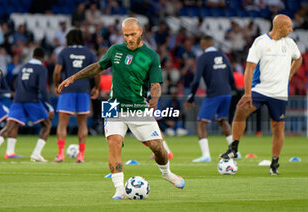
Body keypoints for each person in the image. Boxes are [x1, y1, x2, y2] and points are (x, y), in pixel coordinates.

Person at [57, 17, 185, 199]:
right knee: (114, 143)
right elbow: (97, 67)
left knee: (158, 148)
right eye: (126, 35)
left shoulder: (150, 55)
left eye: (133, 34)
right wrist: (73, 77)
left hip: (138, 106)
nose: (130, 38)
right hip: (113, 105)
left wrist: (154, 99)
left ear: (140, 31)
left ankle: (166, 173)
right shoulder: (115, 50)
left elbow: (156, 84)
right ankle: (119, 190)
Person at [220, 15, 302, 175]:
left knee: (278, 128)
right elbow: (249, 69)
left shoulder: (290, 44)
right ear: (279, 27)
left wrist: (289, 75)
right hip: (260, 89)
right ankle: (234, 148)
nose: (291, 30)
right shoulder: (260, 42)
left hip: (279, 93)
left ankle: (274, 164)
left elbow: (298, 60)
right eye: (289, 27)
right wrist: (248, 93)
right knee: (240, 110)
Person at [0, 48, 54, 162]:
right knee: (46, 126)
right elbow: (43, 89)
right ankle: (36, 154)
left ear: (33, 55)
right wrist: (50, 106)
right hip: (32, 100)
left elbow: (16, 83)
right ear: (43, 58)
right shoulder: (42, 68)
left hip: (18, 100)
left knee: (8, 128)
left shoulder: (23, 67)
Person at [184, 35, 239, 163]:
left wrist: (191, 97)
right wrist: (233, 90)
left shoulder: (203, 57)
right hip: (227, 93)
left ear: (203, 44)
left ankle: (206, 155)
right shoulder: (223, 55)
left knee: (202, 123)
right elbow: (231, 75)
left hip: (214, 94)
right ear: (212, 43)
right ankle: (235, 151)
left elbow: (196, 80)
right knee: (222, 120)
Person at [53, 29, 99, 163]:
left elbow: (57, 71)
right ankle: (81, 155)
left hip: (67, 89)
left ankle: (60, 154)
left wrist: (57, 85)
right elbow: (97, 71)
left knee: (62, 123)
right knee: (82, 123)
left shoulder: (64, 52)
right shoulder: (89, 53)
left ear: (69, 39)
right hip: (84, 90)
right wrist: (96, 87)